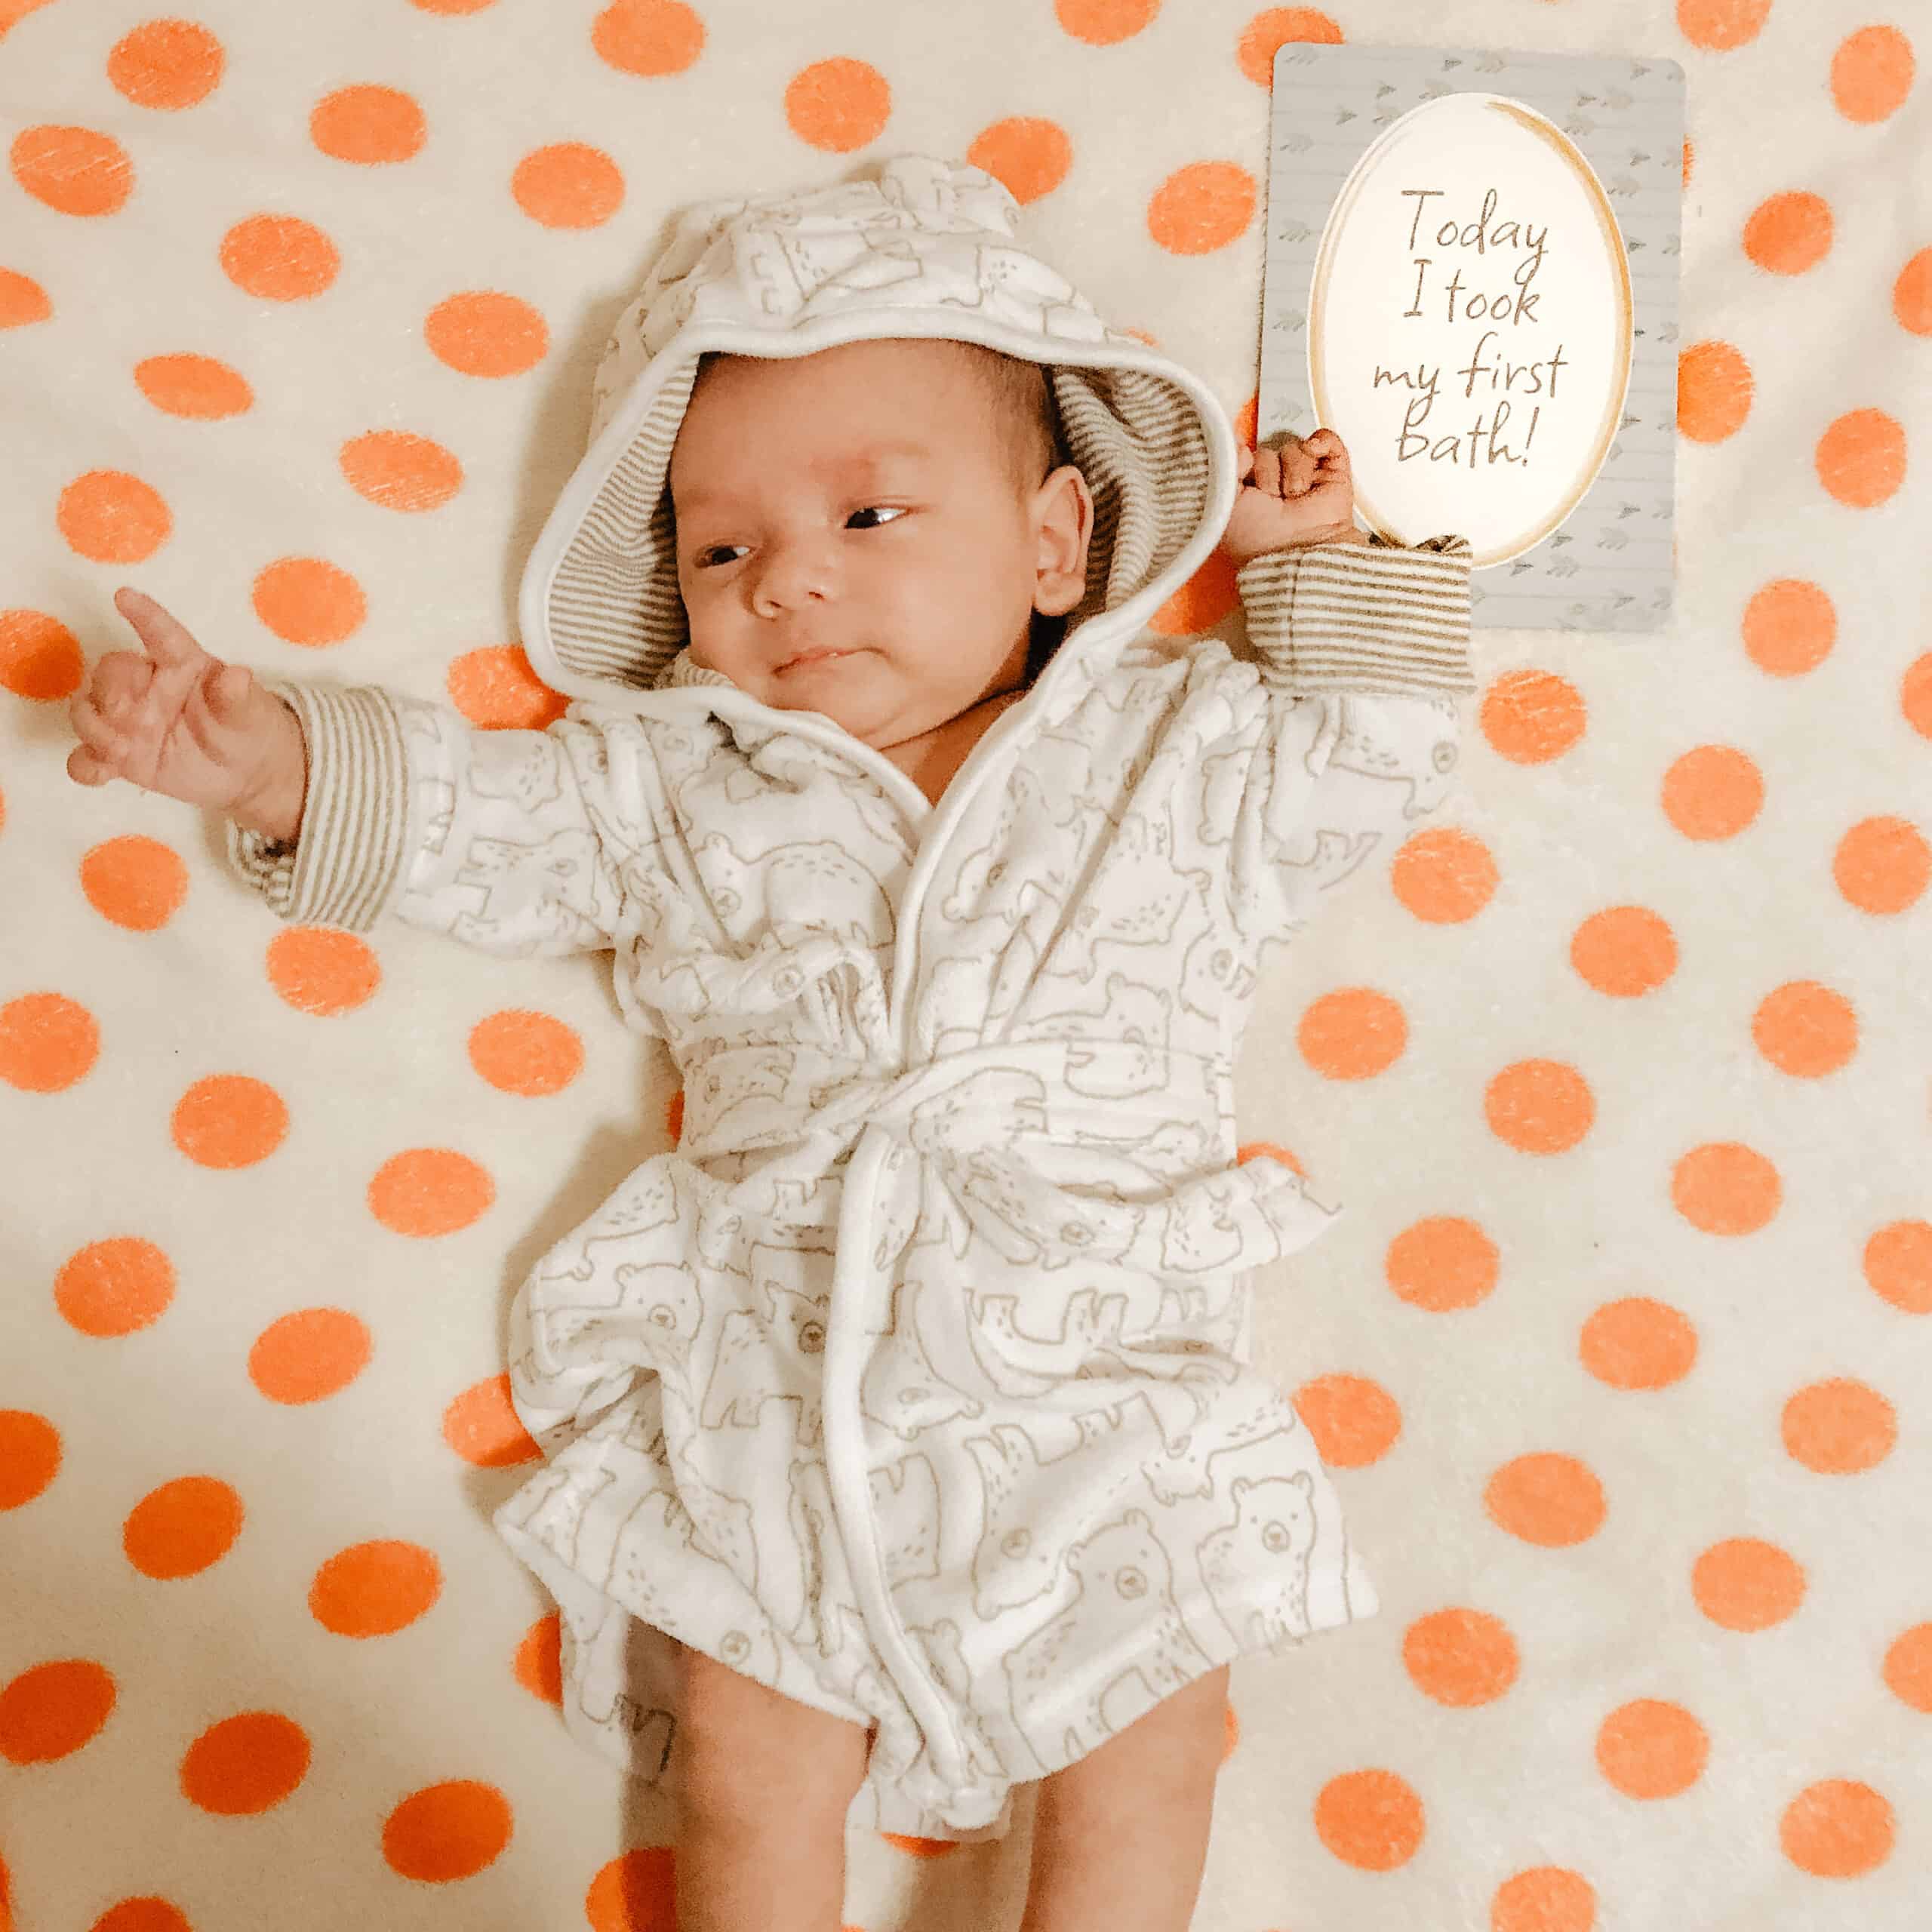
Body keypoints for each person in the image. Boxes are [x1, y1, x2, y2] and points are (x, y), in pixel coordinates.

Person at [63, 155, 1474, 1932]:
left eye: (868, 519)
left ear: (1052, 541)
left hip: (1106, 1353)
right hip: (778, 1363)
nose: (790, 580)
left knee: (1156, 1721)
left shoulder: (1173, 745)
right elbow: (485, 820)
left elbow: (1360, 760)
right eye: (722, 548)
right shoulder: (681, 779)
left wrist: (1317, 573)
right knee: (739, 1749)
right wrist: (271, 761)